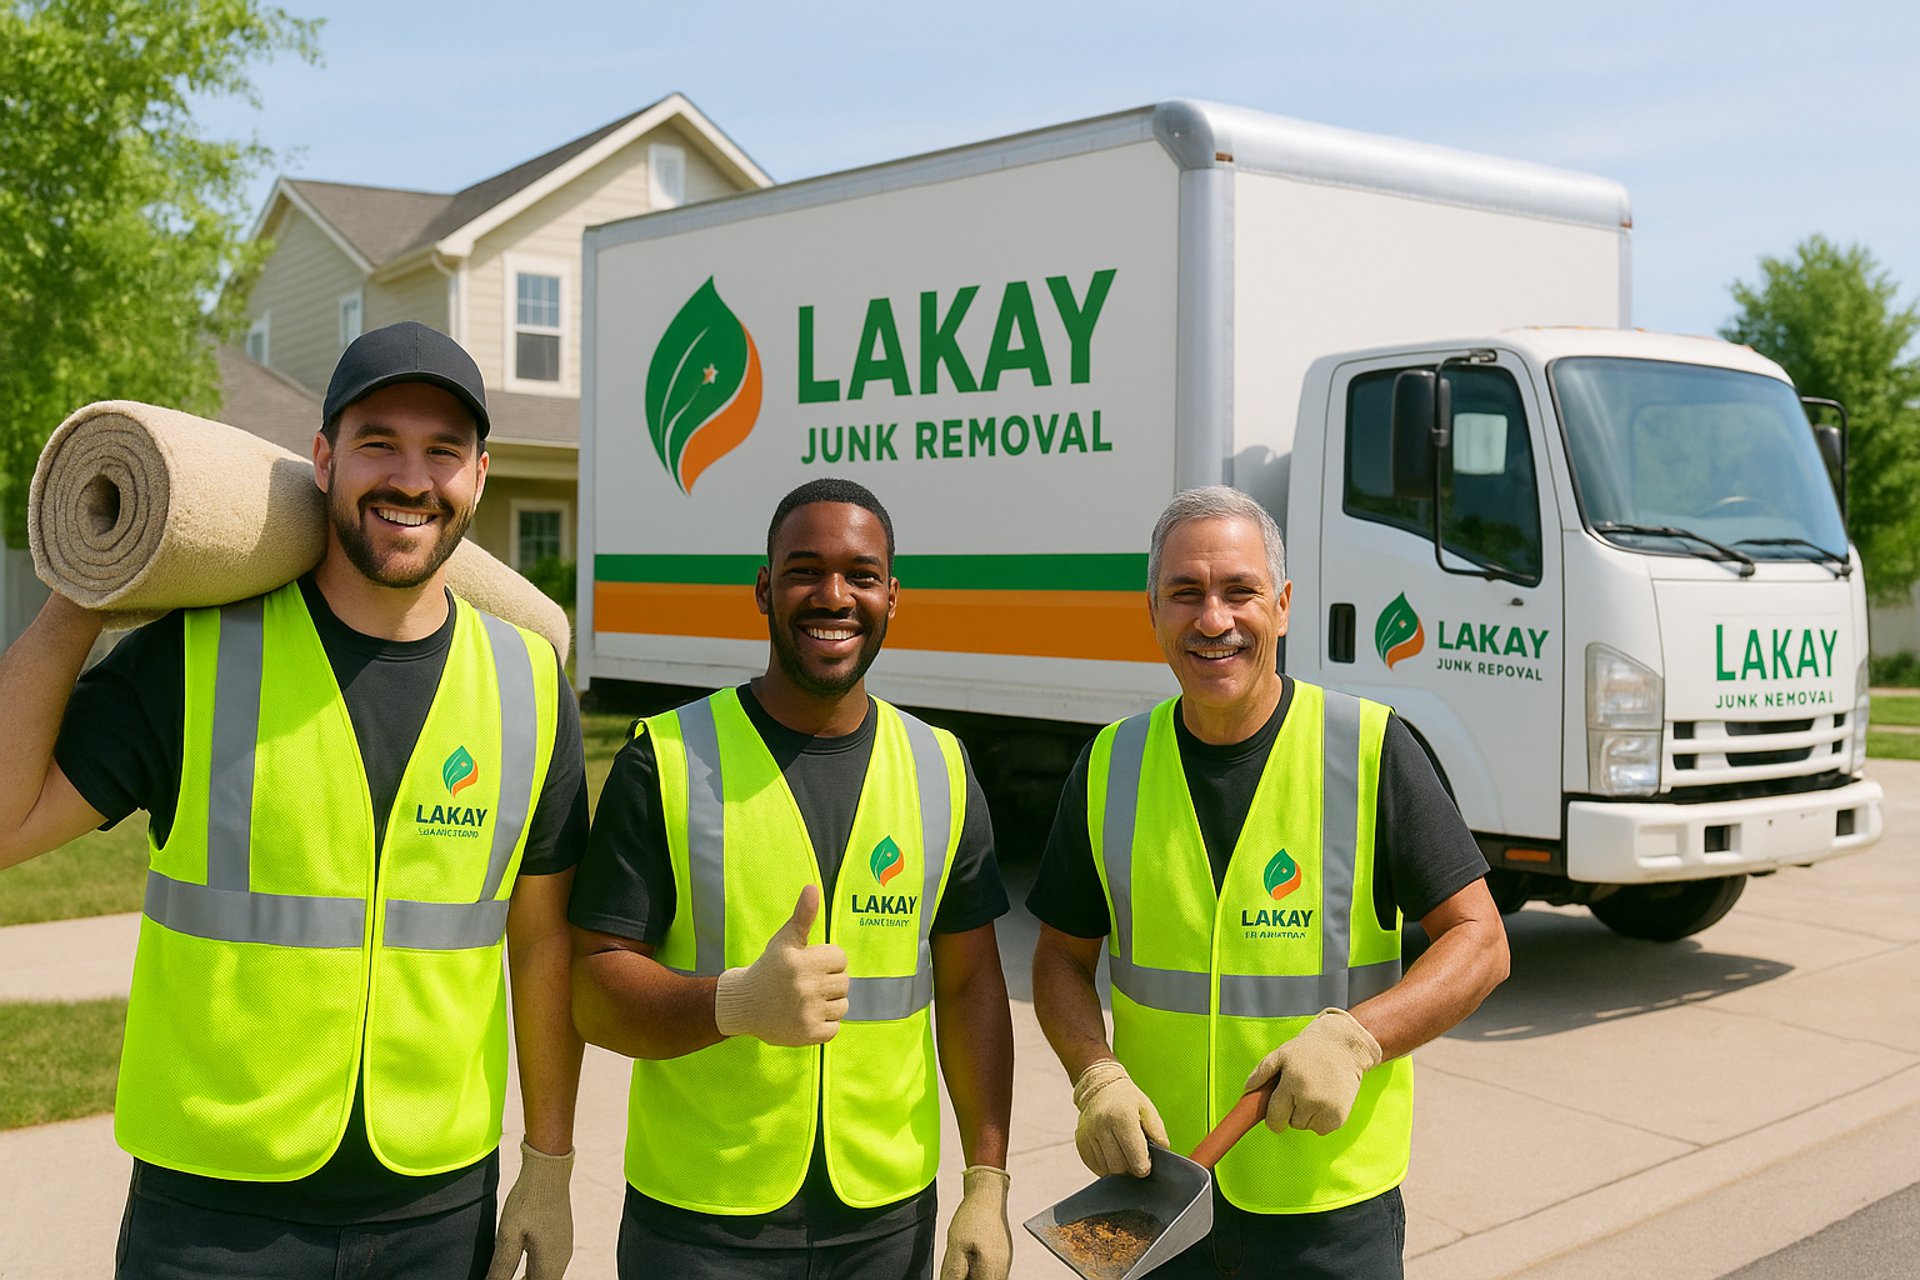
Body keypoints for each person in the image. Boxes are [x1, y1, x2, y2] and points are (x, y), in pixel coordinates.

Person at [0, 322, 588, 1280]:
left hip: (436, 1207)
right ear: (322, 459)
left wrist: (549, 1168)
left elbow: (543, 944)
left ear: (480, 476)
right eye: (377, 443)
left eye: (443, 451)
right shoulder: (197, 658)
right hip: (213, 1214)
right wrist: (87, 581)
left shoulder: (527, 685)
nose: (411, 478)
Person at [1028, 486, 1509, 1280]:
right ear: (1151, 612)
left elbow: (1482, 941)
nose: (1213, 619)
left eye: (1239, 591)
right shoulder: (1110, 766)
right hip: (1160, 1197)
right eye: (1185, 594)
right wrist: (1094, 1075)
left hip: (1327, 1211)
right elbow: (1059, 958)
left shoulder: (1370, 750)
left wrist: (1357, 1042)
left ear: (1282, 607)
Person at [570, 477, 1015, 1280]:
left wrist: (986, 1180)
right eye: (805, 570)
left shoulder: (940, 768)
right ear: (764, 589)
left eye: (862, 574)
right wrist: (733, 1003)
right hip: (701, 1220)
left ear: (893, 595)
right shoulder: (664, 759)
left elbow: (974, 984)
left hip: (885, 1217)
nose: (834, 595)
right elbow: (593, 991)